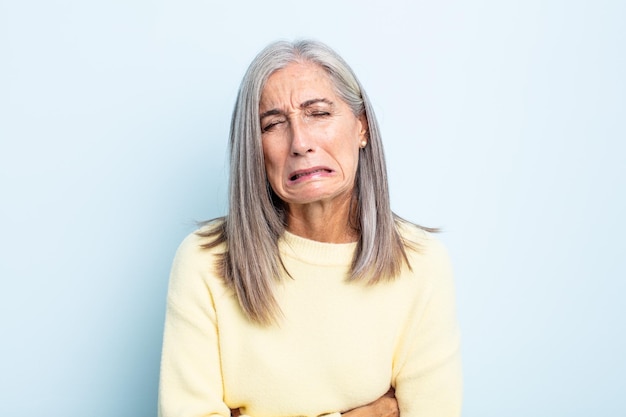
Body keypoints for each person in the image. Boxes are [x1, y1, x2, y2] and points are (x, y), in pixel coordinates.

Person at [158, 39, 462, 417]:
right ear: (255, 149)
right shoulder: (206, 261)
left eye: (318, 113)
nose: (300, 143)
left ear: (361, 128)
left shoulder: (420, 262)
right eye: (273, 124)